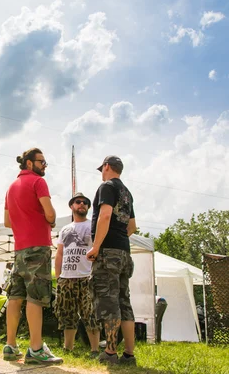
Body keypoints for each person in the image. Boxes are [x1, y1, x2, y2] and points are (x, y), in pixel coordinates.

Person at [3, 147, 63, 365]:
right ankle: (36, 349)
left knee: (15, 296)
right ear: (29, 163)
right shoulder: (38, 182)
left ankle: (10, 346)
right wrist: (51, 219)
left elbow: (7, 222)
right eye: (42, 161)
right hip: (38, 247)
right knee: (35, 297)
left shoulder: (11, 187)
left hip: (19, 248)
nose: (44, 165)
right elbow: (50, 213)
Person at [86, 155, 137, 366]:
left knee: (109, 302)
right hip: (124, 253)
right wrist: (119, 237)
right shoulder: (127, 192)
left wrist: (97, 246)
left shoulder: (106, 186)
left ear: (106, 166)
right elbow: (132, 226)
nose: (102, 172)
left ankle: (110, 352)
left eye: (102, 169)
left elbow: (105, 215)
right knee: (124, 302)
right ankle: (129, 355)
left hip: (108, 253)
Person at [54, 192, 101, 356]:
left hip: (87, 277)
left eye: (85, 203)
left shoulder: (92, 226)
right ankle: (68, 348)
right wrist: (58, 276)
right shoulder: (65, 229)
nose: (82, 204)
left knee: (91, 314)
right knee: (67, 314)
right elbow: (59, 253)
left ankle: (95, 349)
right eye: (78, 202)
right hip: (66, 279)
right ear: (72, 206)